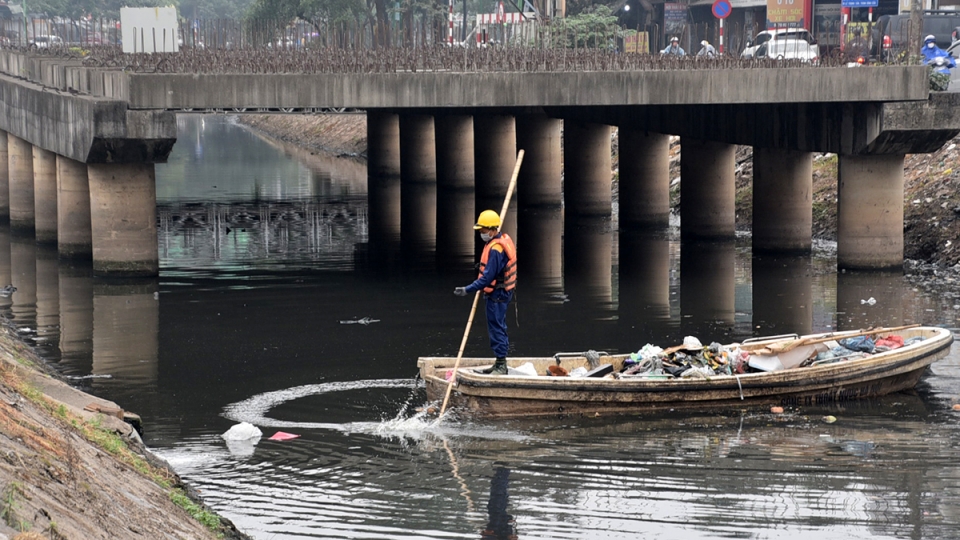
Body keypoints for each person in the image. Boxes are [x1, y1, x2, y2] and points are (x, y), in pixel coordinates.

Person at [454, 210, 517, 375]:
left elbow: (487, 278)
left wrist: (467, 289)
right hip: (498, 293)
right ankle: (498, 363)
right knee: (496, 326)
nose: (481, 234)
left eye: (483, 231)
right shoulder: (498, 241)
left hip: (497, 295)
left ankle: (501, 365)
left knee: (497, 328)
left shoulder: (496, 249)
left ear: (492, 229)